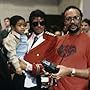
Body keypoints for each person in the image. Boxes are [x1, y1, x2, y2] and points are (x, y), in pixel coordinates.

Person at [46, 6, 90, 90]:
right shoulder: (58, 40)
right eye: (68, 19)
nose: (72, 22)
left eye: (76, 18)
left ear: (81, 20)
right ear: (65, 22)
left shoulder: (88, 41)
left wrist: (71, 71)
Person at [23, 9, 57, 90]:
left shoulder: (52, 39)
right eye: (35, 23)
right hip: (23, 80)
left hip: (40, 82)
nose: (39, 25)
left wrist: (28, 66)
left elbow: (50, 64)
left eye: (42, 23)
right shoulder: (25, 37)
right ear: (31, 24)